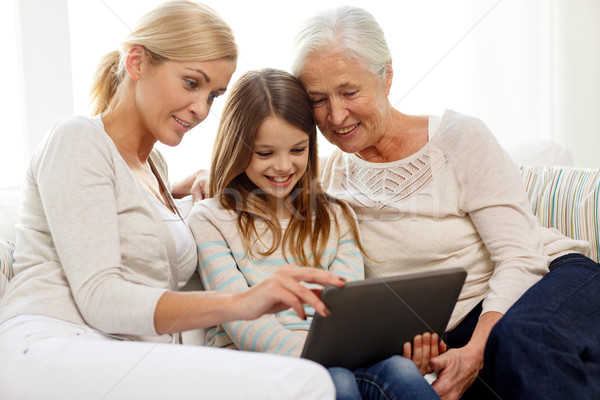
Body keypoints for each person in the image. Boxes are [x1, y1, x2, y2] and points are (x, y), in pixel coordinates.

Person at [0, 2, 346, 399]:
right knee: (305, 381)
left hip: (125, 353)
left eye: (214, 94)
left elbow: (138, 225)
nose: (201, 109)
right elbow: (100, 297)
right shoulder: (77, 139)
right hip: (51, 342)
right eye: (191, 83)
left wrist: (190, 189)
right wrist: (242, 301)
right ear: (136, 62)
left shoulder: (156, 168)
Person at [290, 5, 597, 400]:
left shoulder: (459, 138)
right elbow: (262, 165)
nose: (335, 115)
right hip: (459, 328)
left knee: (520, 341)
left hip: (548, 281)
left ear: (386, 77)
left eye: (349, 92)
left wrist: (476, 351)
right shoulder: (327, 177)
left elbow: (521, 258)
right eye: (317, 99)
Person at [187, 68, 441, 400]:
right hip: (255, 367)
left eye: (297, 150)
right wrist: (319, 359)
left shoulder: (335, 216)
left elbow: (345, 311)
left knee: (401, 371)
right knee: (336, 381)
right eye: (265, 153)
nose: (283, 166)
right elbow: (242, 321)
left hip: (336, 359)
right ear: (237, 147)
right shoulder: (211, 219)